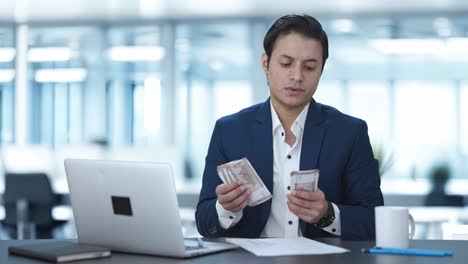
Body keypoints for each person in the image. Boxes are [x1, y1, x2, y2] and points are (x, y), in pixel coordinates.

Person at [195, 14, 384, 240]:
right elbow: (204, 222)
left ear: (321, 70)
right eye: (286, 64)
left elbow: (374, 220)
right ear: (266, 63)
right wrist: (225, 208)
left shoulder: (349, 133)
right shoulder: (229, 131)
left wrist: (327, 214)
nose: (297, 76)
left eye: (310, 67)